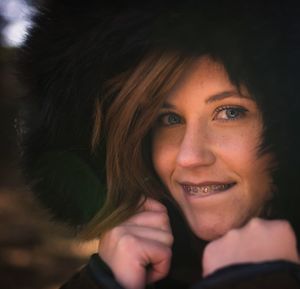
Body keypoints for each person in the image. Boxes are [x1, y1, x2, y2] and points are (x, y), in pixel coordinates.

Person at [18, 1, 300, 288]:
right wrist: (102, 282)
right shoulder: (121, 273)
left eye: (230, 112)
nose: (188, 157)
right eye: (169, 119)